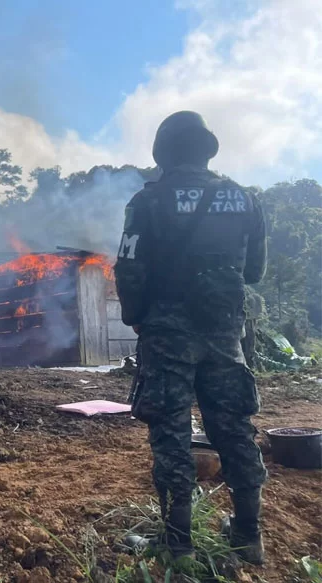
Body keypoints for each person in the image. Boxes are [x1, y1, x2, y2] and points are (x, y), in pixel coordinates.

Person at [114, 111, 268, 565]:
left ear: (164, 153)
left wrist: (136, 318)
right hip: (224, 335)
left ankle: (178, 546)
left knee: (172, 435)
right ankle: (248, 536)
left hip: (167, 339)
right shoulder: (244, 199)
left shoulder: (149, 201)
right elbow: (254, 272)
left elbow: (129, 267)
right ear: (206, 149)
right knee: (235, 430)